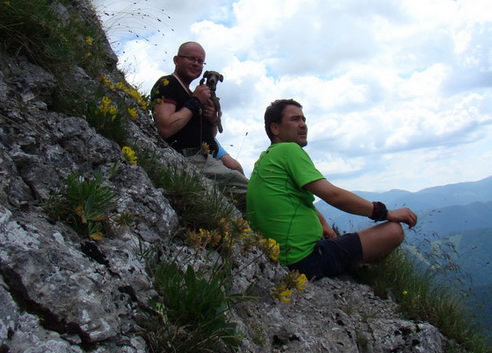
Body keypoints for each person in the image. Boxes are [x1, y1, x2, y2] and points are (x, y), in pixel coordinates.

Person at [246, 99, 417, 280]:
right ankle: (361, 273)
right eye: (295, 119)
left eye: (304, 119)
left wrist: (324, 224)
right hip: (305, 260)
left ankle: (352, 265)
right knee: (394, 231)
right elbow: (334, 196)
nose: (303, 125)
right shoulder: (289, 151)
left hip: (279, 256)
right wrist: (385, 213)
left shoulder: (265, 159)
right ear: (275, 129)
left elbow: (294, 198)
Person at [151, 41, 248, 210]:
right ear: (176, 60)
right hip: (190, 158)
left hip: (206, 158)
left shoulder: (193, 93)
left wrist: (211, 120)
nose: (196, 64)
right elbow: (165, 128)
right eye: (191, 58)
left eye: (200, 61)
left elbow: (209, 135)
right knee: (251, 193)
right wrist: (195, 101)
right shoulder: (167, 84)